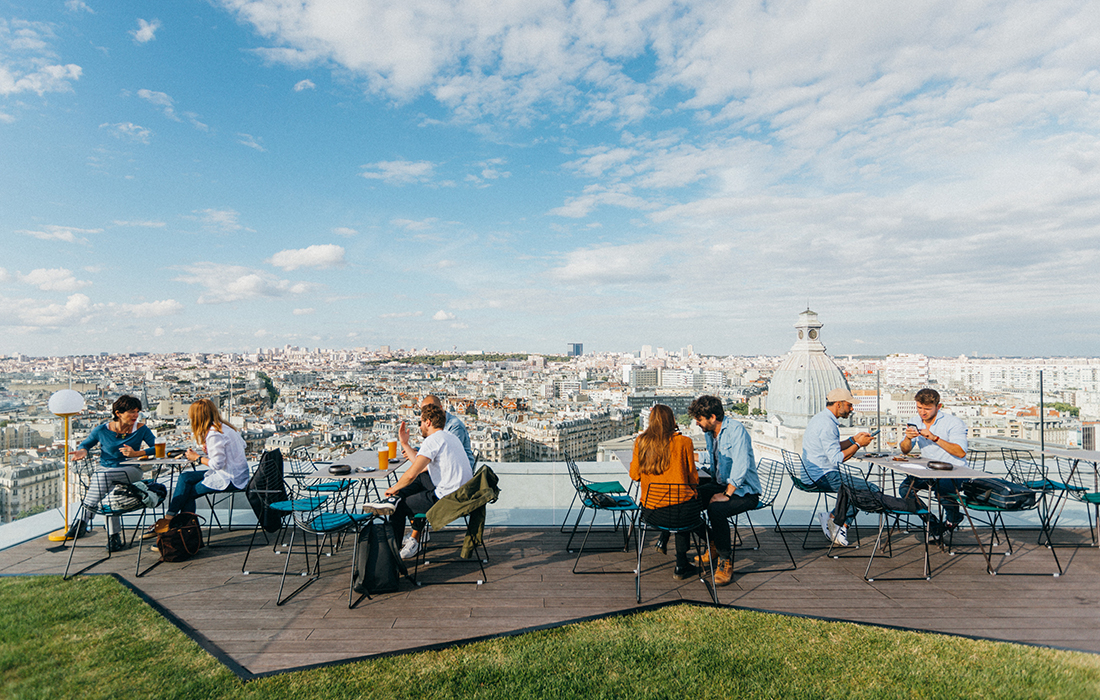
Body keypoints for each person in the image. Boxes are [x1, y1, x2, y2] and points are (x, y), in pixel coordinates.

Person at [364, 403, 473, 559]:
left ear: (428, 422)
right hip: (463, 494)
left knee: (399, 507)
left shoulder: (433, 440)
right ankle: (393, 500)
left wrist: (394, 488)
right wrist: (404, 444)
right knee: (422, 480)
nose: (420, 427)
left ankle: (391, 558)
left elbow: (411, 474)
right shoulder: (449, 437)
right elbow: (420, 469)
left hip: (448, 499)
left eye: (420, 422)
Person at [149, 399, 250, 543]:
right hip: (237, 474)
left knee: (187, 494)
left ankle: (182, 534)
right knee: (185, 477)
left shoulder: (214, 434)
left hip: (229, 479)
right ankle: (171, 523)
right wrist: (210, 450)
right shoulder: (226, 428)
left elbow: (216, 464)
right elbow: (241, 446)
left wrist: (197, 458)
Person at [687, 395, 761, 587]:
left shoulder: (736, 430)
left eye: (699, 419)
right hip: (720, 483)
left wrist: (727, 493)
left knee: (716, 510)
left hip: (745, 491)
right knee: (686, 503)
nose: (697, 423)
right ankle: (713, 541)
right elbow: (716, 459)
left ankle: (725, 561)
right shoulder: (710, 433)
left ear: (712, 417)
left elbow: (740, 464)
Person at [68, 395, 157, 551]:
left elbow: (158, 447)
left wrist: (136, 453)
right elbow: (86, 444)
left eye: (137, 412)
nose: (136, 416)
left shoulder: (141, 429)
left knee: (102, 477)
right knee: (109, 495)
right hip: (106, 471)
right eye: (131, 412)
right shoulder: (102, 430)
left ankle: (82, 521)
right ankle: (113, 538)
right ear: (118, 413)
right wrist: (82, 452)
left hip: (131, 470)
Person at [630, 405, 701, 581]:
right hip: (681, 513)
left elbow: (634, 475)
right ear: (672, 420)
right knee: (684, 508)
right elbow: (693, 478)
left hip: (652, 513)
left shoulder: (641, 442)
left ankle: (664, 540)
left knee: (678, 507)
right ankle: (680, 565)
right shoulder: (684, 442)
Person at [801, 387, 876, 547]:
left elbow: (831, 447)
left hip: (812, 473)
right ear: (839, 404)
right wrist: (858, 444)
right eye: (849, 405)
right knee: (869, 489)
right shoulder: (829, 425)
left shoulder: (820, 419)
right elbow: (836, 459)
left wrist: (852, 440)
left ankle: (834, 518)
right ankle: (839, 522)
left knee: (857, 487)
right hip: (823, 475)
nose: (852, 409)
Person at [898, 388, 969, 539]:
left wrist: (934, 438)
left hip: (955, 471)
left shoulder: (954, 423)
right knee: (905, 489)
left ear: (939, 406)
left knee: (941, 490)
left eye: (927, 409)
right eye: (919, 408)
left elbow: (961, 452)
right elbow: (905, 450)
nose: (922, 413)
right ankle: (933, 523)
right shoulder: (915, 420)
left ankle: (954, 517)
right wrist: (908, 438)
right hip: (928, 470)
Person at [421, 394, 476, 470]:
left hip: (458, 471)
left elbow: (449, 457)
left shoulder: (455, 426)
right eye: (424, 411)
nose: (425, 414)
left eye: (429, 411)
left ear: (440, 409)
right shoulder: (433, 424)